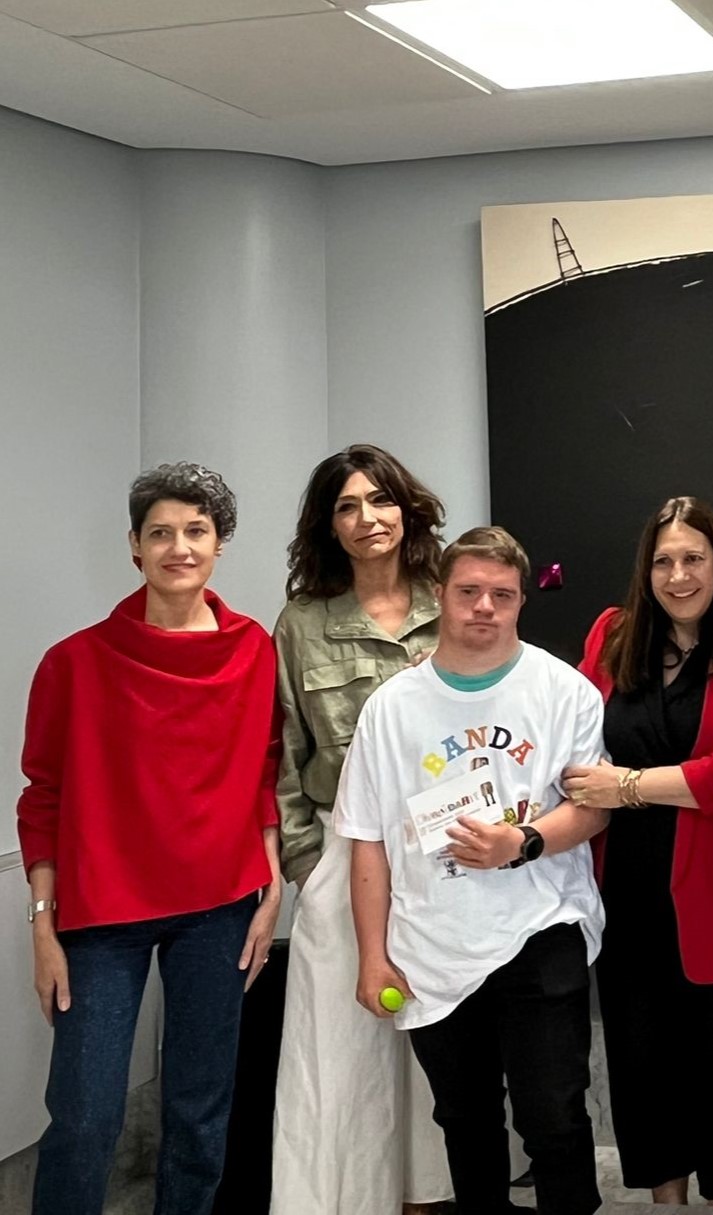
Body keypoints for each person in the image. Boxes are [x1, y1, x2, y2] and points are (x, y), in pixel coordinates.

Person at [18, 463, 284, 1215]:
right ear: (134, 546)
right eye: (160, 533)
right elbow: (42, 796)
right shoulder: (74, 661)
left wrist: (270, 890)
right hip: (101, 914)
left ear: (219, 544)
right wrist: (43, 924)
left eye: (196, 530)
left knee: (201, 1109)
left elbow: (264, 774)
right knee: (85, 1116)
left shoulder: (253, 650)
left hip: (222, 908)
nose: (179, 547)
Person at [337, 526, 611, 1215]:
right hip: (433, 940)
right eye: (469, 592)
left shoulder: (565, 692)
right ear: (440, 595)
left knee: (554, 1113)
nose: (484, 606)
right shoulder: (390, 708)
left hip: (540, 927)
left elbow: (593, 809)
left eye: (502, 594)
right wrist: (372, 956)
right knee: (464, 1118)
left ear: (521, 601)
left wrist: (521, 841)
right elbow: (366, 839)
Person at [566, 497, 713, 1209]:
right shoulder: (612, 633)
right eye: (663, 560)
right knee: (640, 1057)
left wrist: (627, 785)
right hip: (624, 888)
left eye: (694, 558)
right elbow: (569, 730)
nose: (678, 574)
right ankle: (667, 1201)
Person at [270, 444, 452, 1215]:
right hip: (342, 855)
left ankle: (430, 1196)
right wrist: (307, 865)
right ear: (328, 525)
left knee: (437, 1047)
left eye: (379, 500)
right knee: (341, 1051)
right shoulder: (302, 622)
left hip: (446, 851)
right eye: (347, 506)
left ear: (406, 510)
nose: (366, 518)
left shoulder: (453, 600)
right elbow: (283, 751)